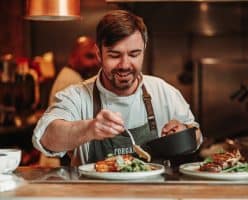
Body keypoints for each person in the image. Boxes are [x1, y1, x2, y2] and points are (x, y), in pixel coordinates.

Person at [33, 9, 202, 166]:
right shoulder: (76, 96)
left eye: (134, 54)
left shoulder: (163, 92)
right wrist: (89, 129)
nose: (124, 65)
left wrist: (183, 133)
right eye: (114, 55)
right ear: (99, 54)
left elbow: (196, 135)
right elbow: (46, 138)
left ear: (143, 51)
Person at [49, 36, 99, 105]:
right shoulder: (71, 82)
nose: (95, 62)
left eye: (97, 57)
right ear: (73, 56)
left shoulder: (71, 75)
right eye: (89, 56)